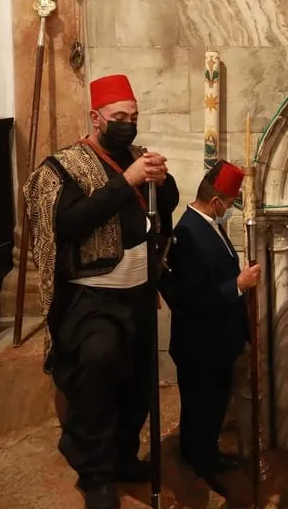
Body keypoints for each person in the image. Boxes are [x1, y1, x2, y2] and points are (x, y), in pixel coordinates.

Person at [24, 74, 179, 509]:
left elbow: (163, 209)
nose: (128, 124)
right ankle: (93, 473)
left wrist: (162, 183)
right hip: (91, 297)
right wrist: (126, 181)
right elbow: (68, 223)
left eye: (133, 116)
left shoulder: (137, 156)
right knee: (98, 372)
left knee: (138, 381)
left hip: (138, 292)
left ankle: (122, 457)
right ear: (96, 118)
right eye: (119, 117)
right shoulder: (64, 166)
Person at [167, 160, 262, 481]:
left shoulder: (208, 224)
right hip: (200, 342)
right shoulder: (187, 233)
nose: (230, 209)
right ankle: (200, 465)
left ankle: (205, 453)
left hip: (218, 340)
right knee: (200, 405)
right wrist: (239, 284)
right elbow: (192, 297)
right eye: (231, 203)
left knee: (213, 404)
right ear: (217, 200)